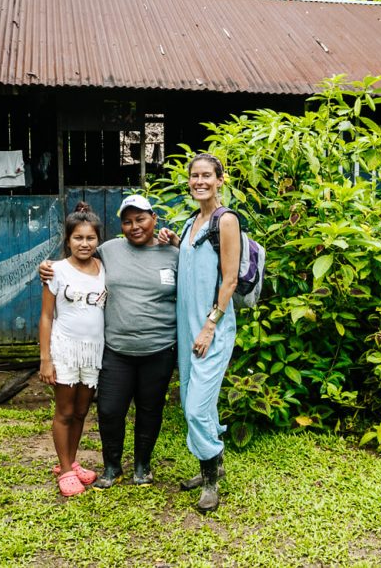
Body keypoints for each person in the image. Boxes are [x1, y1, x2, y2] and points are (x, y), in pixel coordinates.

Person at [39, 195, 178, 489]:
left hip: (159, 347)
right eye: (127, 221)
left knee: (150, 409)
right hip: (115, 350)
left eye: (140, 219)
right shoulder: (109, 251)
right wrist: (47, 266)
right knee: (110, 410)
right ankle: (111, 467)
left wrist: (177, 242)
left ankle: (142, 466)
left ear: (154, 218)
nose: (134, 226)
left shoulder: (173, 253)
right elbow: (76, 257)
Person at [158, 152, 239, 514]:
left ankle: (211, 477)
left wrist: (210, 325)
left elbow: (231, 277)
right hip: (188, 326)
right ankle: (211, 463)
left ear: (220, 180)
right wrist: (176, 242)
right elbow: (197, 260)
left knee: (195, 408)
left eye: (207, 175)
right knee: (195, 402)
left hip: (211, 329)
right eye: (194, 176)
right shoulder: (194, 220)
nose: (200, 181)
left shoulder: (226, 220)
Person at [39, 202, 106, 497]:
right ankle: (64, 469)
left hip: (93, 351)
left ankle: (72, 461)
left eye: (90, 238)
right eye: (78, 237)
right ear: (67, 240)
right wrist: (45, 359)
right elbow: (45, 316)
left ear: (98, 240)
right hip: (65, 349)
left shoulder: (103, 267)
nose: (84, 243)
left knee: (81, 411)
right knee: (64, 410)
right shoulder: (55, 270)